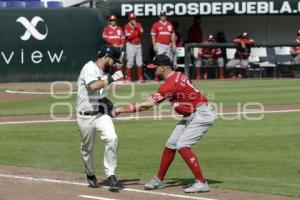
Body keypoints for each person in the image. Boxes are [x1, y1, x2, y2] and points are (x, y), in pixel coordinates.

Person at [115, 54, 216, 193]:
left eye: (154, 68)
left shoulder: (170, 84)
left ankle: (201, 182)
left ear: (162, 68)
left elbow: (145, 105)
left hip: (201, 114)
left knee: (183, 145)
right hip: (193, 113)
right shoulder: (178, 75)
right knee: (171, 144)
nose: (152, 70)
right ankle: (158, 179)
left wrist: (119, 110)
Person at [76, 45, 124, 191]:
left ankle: (111, 175)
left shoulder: (105, 72)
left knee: (112, 138)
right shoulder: (89, 68)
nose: (115, 64)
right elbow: (94, 86)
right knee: (87, 149)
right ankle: (90, 173)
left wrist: (110, 107)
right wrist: (111, 79)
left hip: (99, 114)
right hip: (85, 116)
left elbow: (101, 96)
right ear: (106, 57)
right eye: (114, 61)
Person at [124, 12, 145, 83]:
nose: (132, 20)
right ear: (129, 19)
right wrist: (135, 31)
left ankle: (140, 77)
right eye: (131, 19)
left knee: (139, 61)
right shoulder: (126, 26)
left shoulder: (138, 24)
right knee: (130, 61)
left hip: (138, 45)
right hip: (130, 45)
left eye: (133, 18)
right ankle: (129, 77)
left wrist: (136, 28)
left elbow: (141, 34)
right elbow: (129, 37)